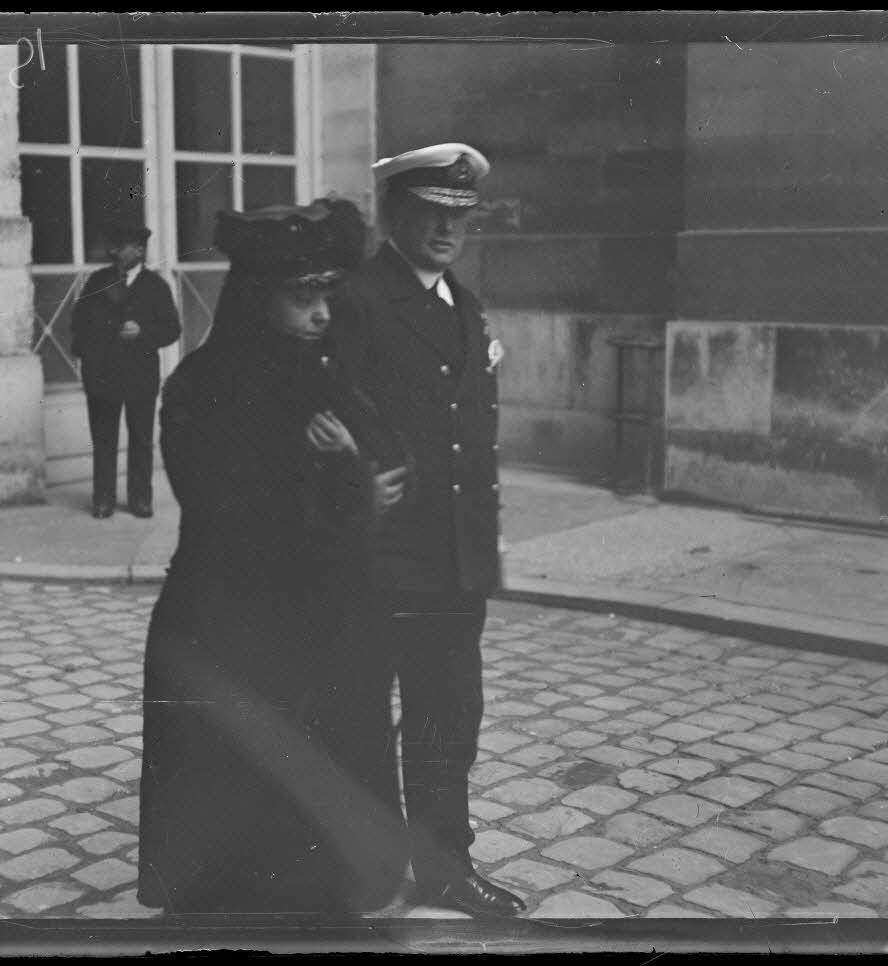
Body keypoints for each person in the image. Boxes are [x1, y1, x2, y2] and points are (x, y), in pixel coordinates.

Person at [137, 198, 411, 916]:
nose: (321, 313)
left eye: (327, 295)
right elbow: (226, 512)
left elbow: (387, 461)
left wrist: (361, 476)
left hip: (324, 616)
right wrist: (352, 491)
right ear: (257, 298)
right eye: (302, 298)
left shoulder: (325, 371)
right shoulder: (202, 387)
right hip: (235, 616)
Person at [329, 143, 525, 917]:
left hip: (452, 561)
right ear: (393, 215)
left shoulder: (466, 308)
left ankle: (445, 868)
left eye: (459, 217)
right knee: (358, 719)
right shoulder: (356, 301)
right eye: (430, 213)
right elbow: (322, 416)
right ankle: (357, 872)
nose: (446, 231)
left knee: (449, 718)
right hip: (379, 556)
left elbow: (470, 439)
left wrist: (482, 543)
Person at [70, 221, 181, 519]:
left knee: (141, 440)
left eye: (123, 246)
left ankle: (140, 499)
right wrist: (94, 352)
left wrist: (143, 332)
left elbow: (172, 329)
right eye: (115, 246)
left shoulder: (156, 286)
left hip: (139, 376)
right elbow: (78, 322)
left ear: (140, 251)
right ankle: (103, 499)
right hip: (102, 375)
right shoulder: (97, 282)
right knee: (104, 440)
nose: (115, 252)